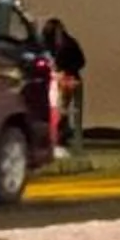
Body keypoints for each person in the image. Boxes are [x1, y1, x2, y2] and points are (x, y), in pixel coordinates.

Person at [42, 16, 88, 150]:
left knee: (60, 107)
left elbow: (80, 62)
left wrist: (65, 70)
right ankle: (57, 135)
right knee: (57, 108)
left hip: (67, 79)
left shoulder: (67, 44)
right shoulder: (55, 44)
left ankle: (59, 135)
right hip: (56, 79)